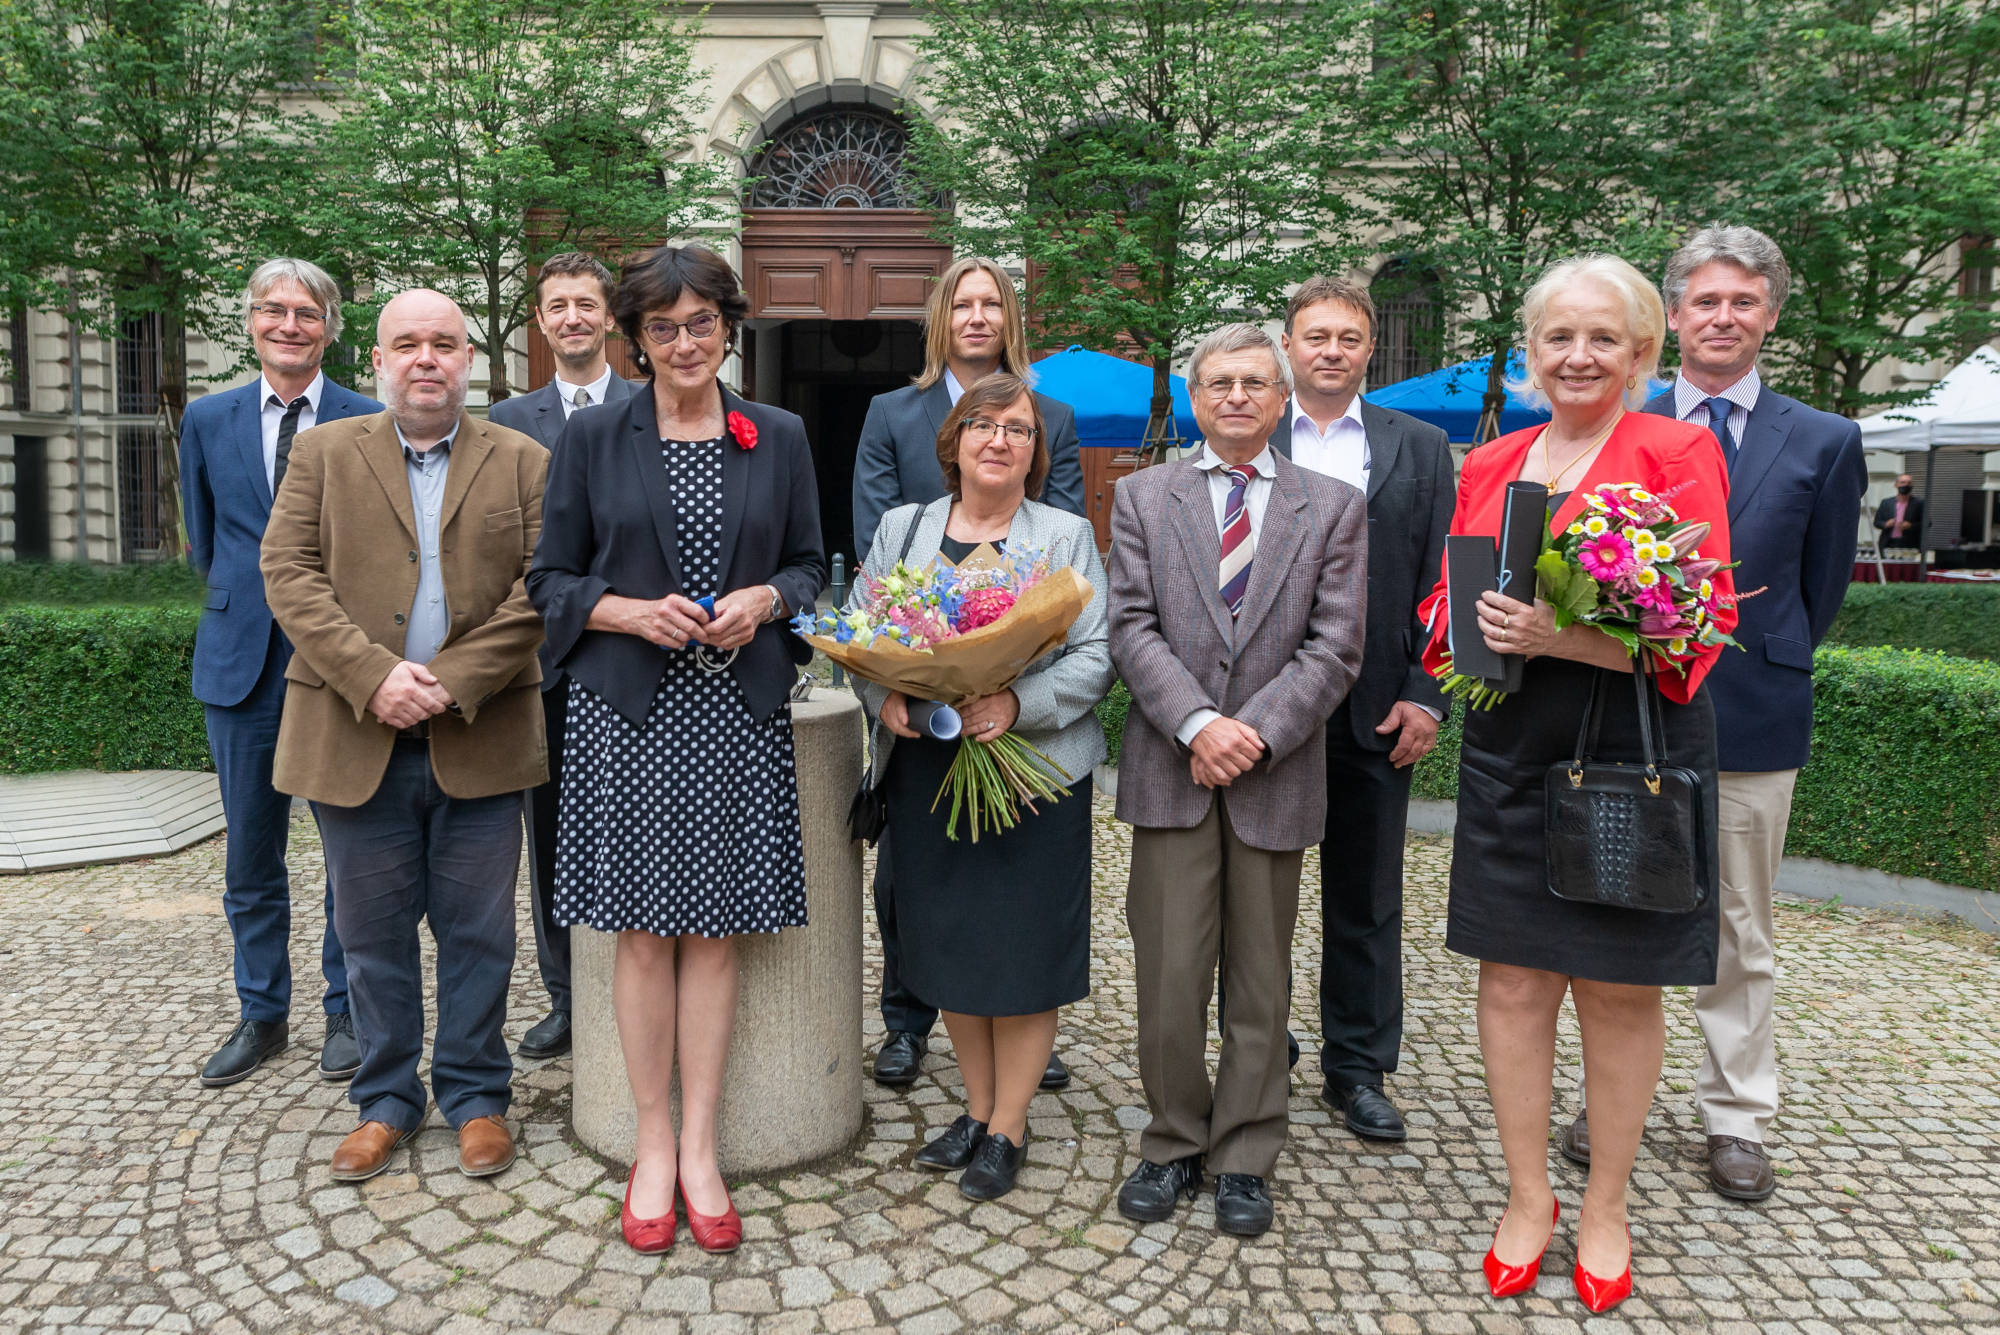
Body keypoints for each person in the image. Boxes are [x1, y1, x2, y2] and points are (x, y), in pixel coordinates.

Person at [1415, 255, 1737, 1313]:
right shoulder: (1494, 459)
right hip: (1513, 743)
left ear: (1642, 352)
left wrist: (1561, 636)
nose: (1577, 355)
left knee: (1615, 986)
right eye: (1557, 337)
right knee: (1509, 982)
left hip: (1629, 742)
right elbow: (1454, 602)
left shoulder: (1675, 450)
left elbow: (1700, 634)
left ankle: (1604, 1203)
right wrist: (1449, 631)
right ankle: (1525, 1196)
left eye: (1602, 337)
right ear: (1531, 353)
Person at [527, 244, 825, 1255]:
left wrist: (768, 599)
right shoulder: (594, 438)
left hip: (734, 714)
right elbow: (549, 580)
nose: (685, 342)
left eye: (702, 323)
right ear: (636, 339)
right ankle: (652, 1142)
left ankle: (701, 1146)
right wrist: (616, 611)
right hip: (626, 715)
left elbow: (810, 564)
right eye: (663, 327)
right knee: (641, 935)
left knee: (714, 933)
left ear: (727, 329)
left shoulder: (775, 434)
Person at [1561, 227, 1866, 1202]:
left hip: (1750, 715)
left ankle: (1735, 1115)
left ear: (1769, 314)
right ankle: (1612, 1103)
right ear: (1672, 317)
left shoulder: (1823, 440)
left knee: (1739, 925)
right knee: (1620, 912)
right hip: (1629, 710)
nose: (1721, 318)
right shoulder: (1615, 425)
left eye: (1741, 302)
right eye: (1703, 301)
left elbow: (1819, 592)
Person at [261, 289, 549, 1185]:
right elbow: (288, 570)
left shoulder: (524, 460)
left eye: (446, 344)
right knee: (371, 932)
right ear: (378, 361)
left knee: (480, 933)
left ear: (472, 361)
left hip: (483, 732)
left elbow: (543, 586)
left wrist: (453, 681)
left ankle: (475, 1096)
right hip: (354, 730)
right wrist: (375, 675)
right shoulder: (320, 453)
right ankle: (386, 1099)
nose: (428, 359)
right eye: (408, 344)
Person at [1107, 324, 1367, 1238]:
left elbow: (1337, 646)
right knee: (1171, 975)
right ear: (1194, 394)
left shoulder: (1332, 505)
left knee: (1261, 981)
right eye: (1219, 382)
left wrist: (1249, 733)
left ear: (1281, 392)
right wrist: (1196, 723)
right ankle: (1174, 1138)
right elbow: (1130, 625)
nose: (1238, 397)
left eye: (1257, 382)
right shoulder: (1141, 497)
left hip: (1275, 774)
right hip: (1170, 766)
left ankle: (1248, 1150)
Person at [856, 373, 1113, 1201]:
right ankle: (975, 1106)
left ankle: (1009, 1124)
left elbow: (1097, 654)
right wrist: (885, 695)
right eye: (984, 424)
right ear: (954, 441)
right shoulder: (904, 528)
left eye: (1020, 430)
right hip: (931, 771)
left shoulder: (1067, 535)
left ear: (1036, 453)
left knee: (1027, 950)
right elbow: (859, 632)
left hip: (1037, 772)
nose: (1001, 440)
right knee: (954, 945)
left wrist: (1016, 700)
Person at [850, 256, 1088, 1094]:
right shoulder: (892, 416)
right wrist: (896, 687)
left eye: (994, 302)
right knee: (924, 903)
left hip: (1020, 720)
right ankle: (909, 1022)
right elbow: (871, 598)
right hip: (923, 711)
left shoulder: (1051, 417)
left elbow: (1072, 594)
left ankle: (1012, 1078)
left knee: (1021, 921)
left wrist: (1014, 686)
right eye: (965, 302)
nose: (979, 315)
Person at [179, 258, 381, 1088]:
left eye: (307, 312)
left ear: (332, 327)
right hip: (242, 666)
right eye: (274, 310)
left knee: (351, 853)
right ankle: (261, 1013)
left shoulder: (370, 417)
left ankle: (346, 1011)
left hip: (338, 663)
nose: (290, 324)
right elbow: (206, 535)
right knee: (250, 857)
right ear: (252, 322)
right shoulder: (207, 416)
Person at [1271, 276, 1454, 1140]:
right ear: (1290, 345)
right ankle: (1259, 1041)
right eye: (1316, 335)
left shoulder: (1418, 446)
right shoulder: (1249, 431)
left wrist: (1428, 694)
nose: (1332, 349)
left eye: (1348, 335)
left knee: (1368, 898)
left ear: (1369, 347)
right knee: (1255, 895)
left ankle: (1358, 1065)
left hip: (1377, 709)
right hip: (1263, 711)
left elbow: (1442, 580)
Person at [489, 251, 644, 1062]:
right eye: (558, 306)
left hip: (635, 661)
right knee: (550, 838)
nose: (574, 317)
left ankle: (637, 985)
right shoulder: (506, 422)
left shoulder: (652, 407)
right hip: (544, 665)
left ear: (610, 317)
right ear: (541, 321)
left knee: (629, 829)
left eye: (588, 303)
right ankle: (567, 995)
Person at [1874, 474, 1924, 551]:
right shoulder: (1886, 503)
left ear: (1912, 486)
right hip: (1888, 543)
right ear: (1896, 485)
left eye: (1909, 483)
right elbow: (1876, 522)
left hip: (1910, 544)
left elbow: (1927, 523)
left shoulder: (1919, 503)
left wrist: (1910, 525)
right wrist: (1886, 524)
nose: (1906, 485)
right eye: (1903, 482)